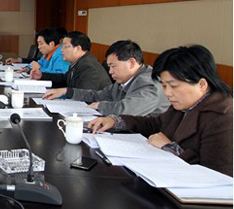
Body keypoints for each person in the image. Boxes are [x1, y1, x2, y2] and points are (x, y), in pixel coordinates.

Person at [90, 45, 232, 176]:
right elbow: (155, 124)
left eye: (174, 86)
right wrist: (114, 121)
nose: (167, 93)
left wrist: (168, 147)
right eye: (164, 86)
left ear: (202, 84)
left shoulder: (224, 116)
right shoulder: (185, 103)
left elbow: (218, 176)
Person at [43, 40, 170, 116]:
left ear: (131, 63)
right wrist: (67, 91)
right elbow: (97, 95)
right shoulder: (124, 80)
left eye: (113, 66)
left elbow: (126, 110)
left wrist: (100, 105)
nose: (110, 71)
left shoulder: (148, 83)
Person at [31, 31, 111, 90]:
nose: (61, 50)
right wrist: (41, 75)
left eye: (65, 47)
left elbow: (84, 95)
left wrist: (64, 92)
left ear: (77, 49)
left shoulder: (88, 67)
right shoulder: (78, 61)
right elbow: (65, 79)